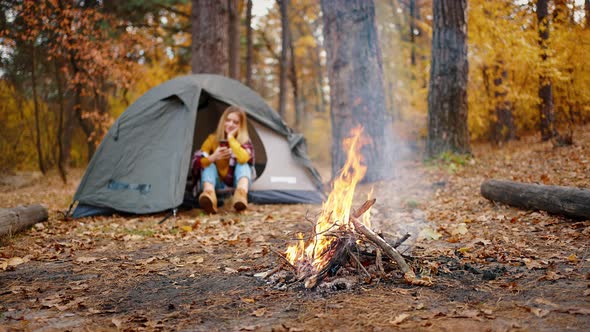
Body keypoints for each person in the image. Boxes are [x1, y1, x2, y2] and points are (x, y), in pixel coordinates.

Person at [191, 106, 254, 213]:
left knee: (243, 164)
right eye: (228, 120)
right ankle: (209, 196)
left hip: (236, 182)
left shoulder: (244, 141)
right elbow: (197, 162)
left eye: (235, 122)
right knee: (208, 164)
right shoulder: (212, 139)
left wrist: (231, 138)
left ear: (241, 126)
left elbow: (244, 159)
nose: (230, 124)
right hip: (217, 182)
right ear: (223, 121)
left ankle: (241, 195)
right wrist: (213, 157)